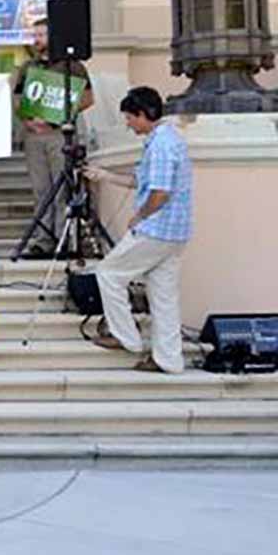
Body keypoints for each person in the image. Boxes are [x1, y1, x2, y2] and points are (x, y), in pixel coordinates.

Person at [86, 87, 192, 374]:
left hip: (155, 229)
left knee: (108, 274)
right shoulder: (169, 140)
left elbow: (159, 192)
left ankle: (126, 337)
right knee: (163, 296)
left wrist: (139, 215)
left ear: (144, 115)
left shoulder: (160, 146)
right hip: (176, 233)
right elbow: (142, 182)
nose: (128, 123)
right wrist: (106, 176)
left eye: (130, 117)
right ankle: (168, 360)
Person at [12, 17, 95, 257]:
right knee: (41, 190)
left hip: (59, 133)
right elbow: (18, 99)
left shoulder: (73, 66)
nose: (37, 40)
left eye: (42, 35)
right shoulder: (29, 67)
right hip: (34, 136)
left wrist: (57, 117)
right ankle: (42, 241)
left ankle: (63, 239)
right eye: (35, 36)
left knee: (62, 189)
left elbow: (88, 99)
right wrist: (28, 120)